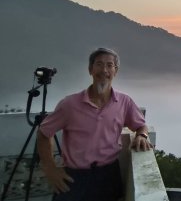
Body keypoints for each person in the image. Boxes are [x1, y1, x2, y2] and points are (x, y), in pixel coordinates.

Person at [37, 47, 153, 201]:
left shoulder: (124, 102)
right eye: (99, 64)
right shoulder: (69, 104)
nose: (104, 70)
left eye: (109, 65)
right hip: (75, 177)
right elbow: (44, 133)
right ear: (90, 70)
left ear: (115, 71)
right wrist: (50, 168)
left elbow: (140, 125)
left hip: (109, 175)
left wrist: (142, 135)